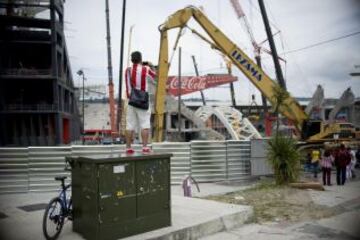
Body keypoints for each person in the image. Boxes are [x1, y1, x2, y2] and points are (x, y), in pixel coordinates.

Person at [124, 51, 156, 154]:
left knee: (129, 125)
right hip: (143, 100)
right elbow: (155, 76)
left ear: (132, 60)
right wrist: (151, 65)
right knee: (145, 124)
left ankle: (128, 147)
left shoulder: (128, 70)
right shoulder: (145, 69)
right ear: (141, 59)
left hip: (131, 100)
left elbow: (128, 87)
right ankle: (145, 147)